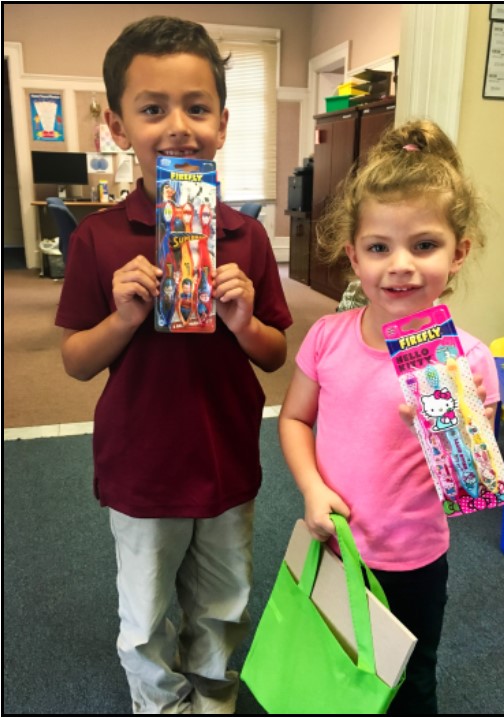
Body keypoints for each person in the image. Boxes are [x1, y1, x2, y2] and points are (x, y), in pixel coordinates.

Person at [55, 16, 292, 716]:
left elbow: (276, 353)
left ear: (223, 121)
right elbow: (73, 360)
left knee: (223, 600)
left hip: (225, 459)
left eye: (196, 107)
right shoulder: (99, 238)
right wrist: (122, 318)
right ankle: (159, 704)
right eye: (152, 109)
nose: (178, 126)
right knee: (147, 609)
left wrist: (246, 320)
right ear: (118, 124)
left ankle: (213, 697)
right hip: (141, 465)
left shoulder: (244, 236)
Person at [278, 119, 499, 716]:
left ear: (458, 254)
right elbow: (294, 420)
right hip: (333, 542)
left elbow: (473, 487)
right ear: (353, 256)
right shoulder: (328, 336)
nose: (399, 265)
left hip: (413, 560)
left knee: (408, 680)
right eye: (379, 247)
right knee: (333, 659)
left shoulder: (469, 363)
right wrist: (312, 487)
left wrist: (448, 430)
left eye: (424, 245)